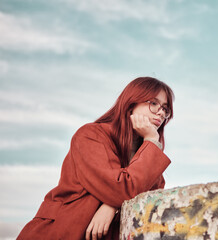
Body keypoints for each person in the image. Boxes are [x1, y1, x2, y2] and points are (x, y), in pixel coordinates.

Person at [17, 77, 174, 240]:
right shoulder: (91, 135)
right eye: (154, 103)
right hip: (58, 231)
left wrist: (111, 206)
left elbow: (148, 201)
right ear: (131, 103)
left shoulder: (148, 153)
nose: (161, 112)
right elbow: (121, 189)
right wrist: (115, 201)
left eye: (165, 108)